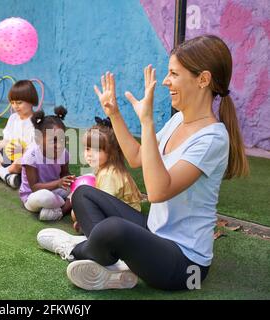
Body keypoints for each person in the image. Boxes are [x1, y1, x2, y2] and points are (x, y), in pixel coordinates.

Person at [37, 35, 249, 291]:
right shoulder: (178, 120)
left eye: (174, 74)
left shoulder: (213, 138)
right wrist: (113, 113)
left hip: (185, 265)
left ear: (203, 79)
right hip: (154, 232)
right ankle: (111, 264)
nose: (166, 81)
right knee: (83, 194)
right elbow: (137, 158)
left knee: (112, 229)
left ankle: (78, 249)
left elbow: (158, 192)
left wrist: (147, 122)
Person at [71, 116, 142, 233]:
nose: (89, 154)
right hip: (127, 213)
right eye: (88, 148)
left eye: (97, 150)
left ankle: (89, 228)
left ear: (111, 152)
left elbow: (105, 204)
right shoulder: (106, 167)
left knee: (76, 212)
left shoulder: (109, 175)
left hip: (127, 221)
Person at [0, 80, 38, 189]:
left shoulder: (38, 121)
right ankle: (7, 176)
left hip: (27, 161)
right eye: (12, 103)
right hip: (9, 156)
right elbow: (6, 141)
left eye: (19, 103)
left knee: (21, 161)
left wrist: (23, 151)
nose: (15, 106)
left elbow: (38, 151)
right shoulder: (13, 118)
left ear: (31, 101)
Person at [20, 106, 75, 221]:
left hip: (56, 189)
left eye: (61, 140)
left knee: (82, 186)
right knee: (45, 196)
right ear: (38, 140)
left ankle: (58, 210)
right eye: (53, 140)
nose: (59, 145)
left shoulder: (63, 153)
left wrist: (70, 180)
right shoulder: (31, 156)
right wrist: (59, 183)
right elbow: (34, 187)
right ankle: (65, 206)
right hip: (34, 196)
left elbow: (64, 174)